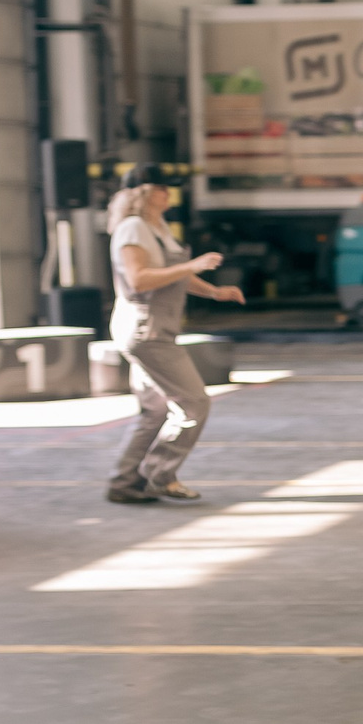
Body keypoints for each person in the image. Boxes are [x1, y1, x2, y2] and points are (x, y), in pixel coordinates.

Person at [104, 165, 242, 504]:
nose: (169, 194)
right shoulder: (133, 228)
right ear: (144, 192)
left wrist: (214, 292)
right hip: (146, 330)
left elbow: (173, 274)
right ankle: (158, 475)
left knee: (154, 412)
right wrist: (190, 265)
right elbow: (139, 279)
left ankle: (124, 483)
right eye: (163, 188)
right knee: (194, 403)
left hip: (154, 327)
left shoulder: (157, 227)